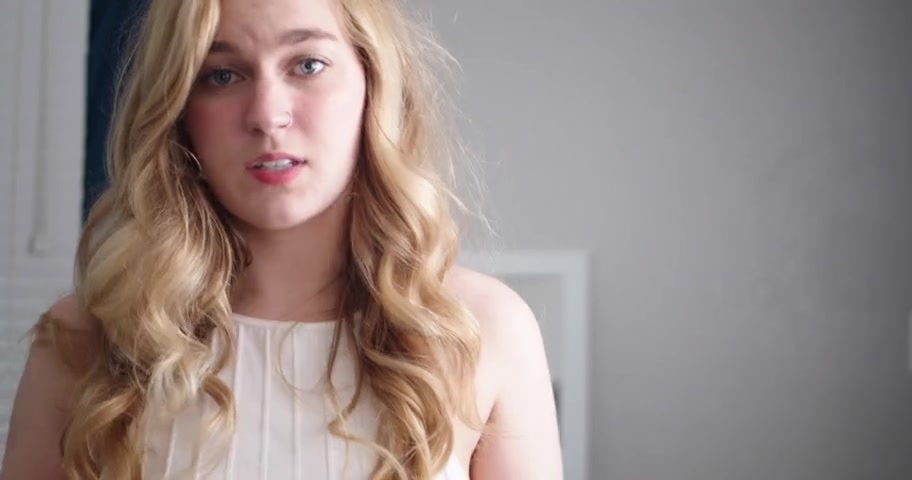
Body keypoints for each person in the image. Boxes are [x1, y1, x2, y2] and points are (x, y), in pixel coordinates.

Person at [0, 0, 562, 478]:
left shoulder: (484, 332)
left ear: (374, 82)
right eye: (222, 75)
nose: (268, 115)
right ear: (179, 110)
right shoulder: (83, 340)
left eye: (307, 64)